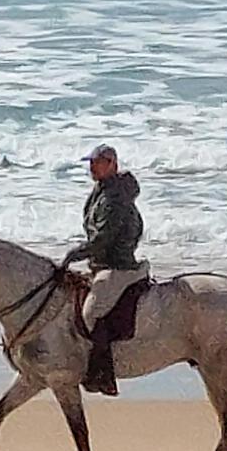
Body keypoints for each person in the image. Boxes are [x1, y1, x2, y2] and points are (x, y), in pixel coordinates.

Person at [60, 144, 146, 397]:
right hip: (101, 264)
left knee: (91, 312)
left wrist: (74, 255)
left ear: (112, 164)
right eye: (91, 162)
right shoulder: (103, 190)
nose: (92, 167)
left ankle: (102, 374)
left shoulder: (115, 198)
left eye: (97, 162)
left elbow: (102, 239)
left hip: (118, 266)